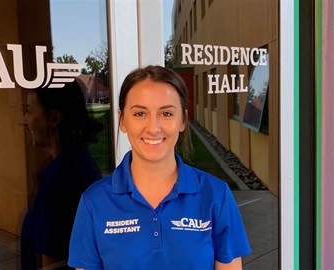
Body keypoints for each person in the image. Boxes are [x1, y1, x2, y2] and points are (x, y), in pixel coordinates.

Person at [68, 66, 251, 270]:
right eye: (139, 113)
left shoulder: (216, 195)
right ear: (122, 120)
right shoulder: (94, 202)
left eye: (166, 113)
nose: (153, 128)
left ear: (183, 120)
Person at [21, 80, 103, 270]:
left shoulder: (62, 182)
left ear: (55, 118)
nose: (25, 120)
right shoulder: (73, 165)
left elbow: (54, 263)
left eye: (29, 110)